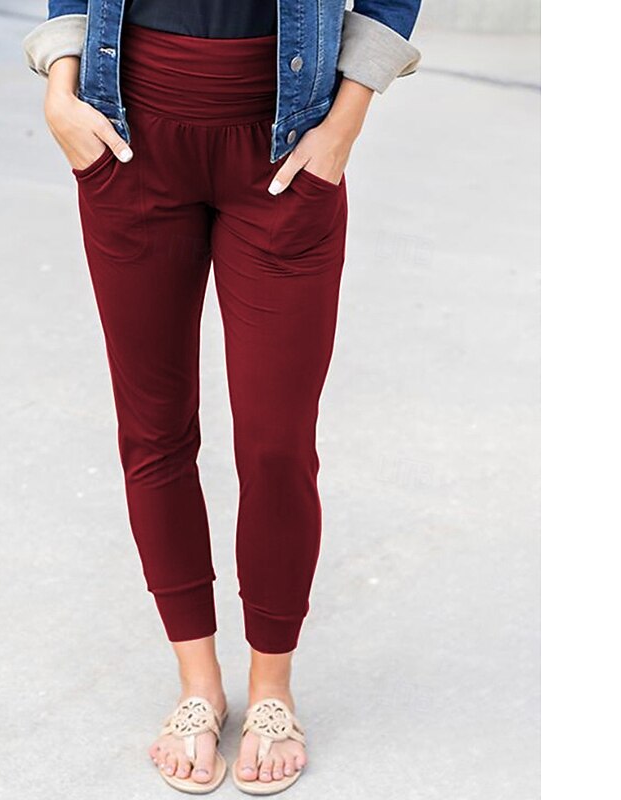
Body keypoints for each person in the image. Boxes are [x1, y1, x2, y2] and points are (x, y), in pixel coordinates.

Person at [23, 0, 421, 793]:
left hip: (287, 145)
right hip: (129, 136)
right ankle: (198, 683)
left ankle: (272, 686)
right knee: (154, 431)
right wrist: (60, 90)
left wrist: (346, 121)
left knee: (277, 442)